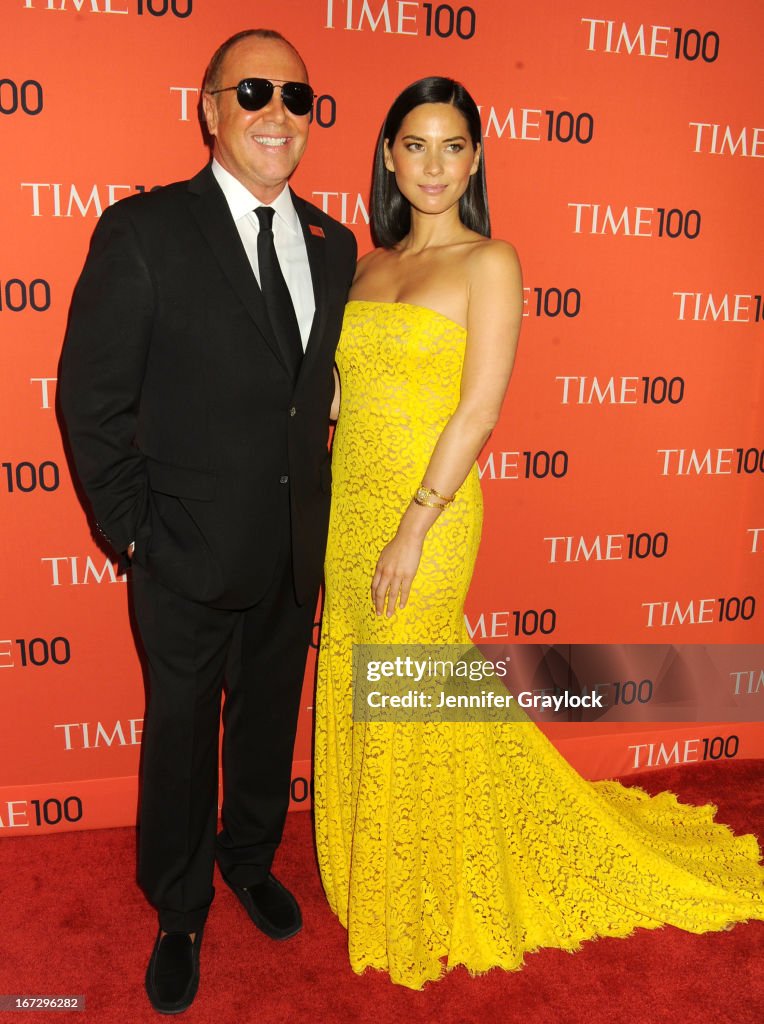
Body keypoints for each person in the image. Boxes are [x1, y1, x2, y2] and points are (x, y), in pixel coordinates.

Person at [313, 76, 764, 990]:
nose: (433, 165)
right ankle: (380, 862)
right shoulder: (365, 267)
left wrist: (411, 529)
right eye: (415, 145)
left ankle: (418, 882)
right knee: (374, 686)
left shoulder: (491, 261)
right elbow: (339, 401)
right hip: (345, 512)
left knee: (404, 679)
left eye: (452, 147)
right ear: (388, 157)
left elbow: (478, 412)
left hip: (425, 519)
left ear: (476, 158)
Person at [60, 29, 356, 1014]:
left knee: (267, 722)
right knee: (182, 736)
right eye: (255, 92)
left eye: (297, 98)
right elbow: (91, 403)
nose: (279, 113)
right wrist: (136, 534)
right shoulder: (143, 231)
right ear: (210, 108)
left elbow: (302, 398)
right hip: (182, 554)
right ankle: (179, 906)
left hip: (288, 552)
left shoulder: (333, 242)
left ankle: (247, 859)